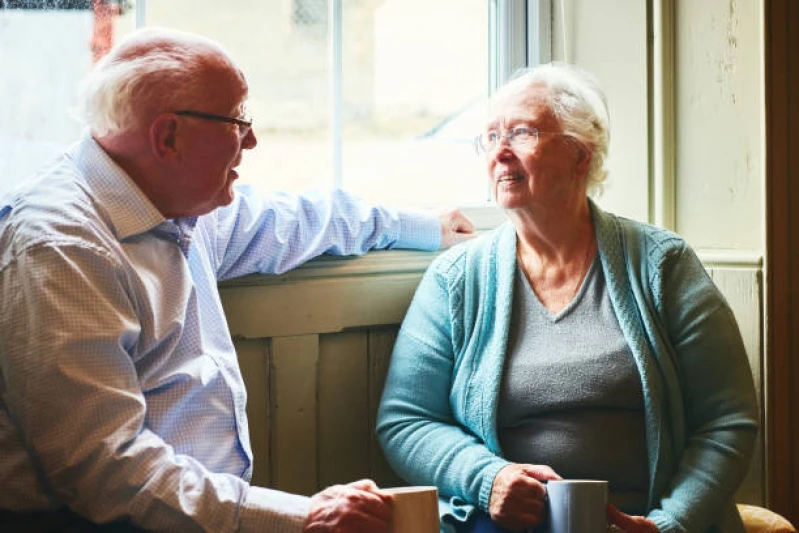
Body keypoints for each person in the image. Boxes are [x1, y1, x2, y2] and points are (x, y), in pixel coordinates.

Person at [0, 27, 475, 533]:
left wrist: (424, 226)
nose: (252, 139)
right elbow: (108, 472)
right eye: (238, 120)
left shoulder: (175, 203)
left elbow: (295, 219)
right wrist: (307, 516)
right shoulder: (63, 249)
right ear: (168, 137)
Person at [376, 62, 758, 533]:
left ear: (581, 153)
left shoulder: (663, 265)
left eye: (521, 133)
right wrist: (488, 479)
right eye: (490, 137)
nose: (500, 152)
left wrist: (669, 525)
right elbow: (406, 421)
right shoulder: (456, 278)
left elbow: (727, 422)